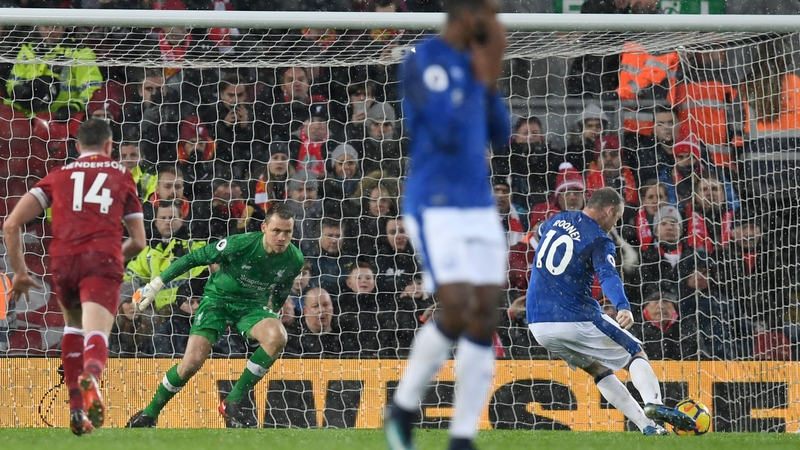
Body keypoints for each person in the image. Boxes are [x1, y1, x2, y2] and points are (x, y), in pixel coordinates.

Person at [384, 1, 511, 449]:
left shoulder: (475, 68)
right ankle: (401, 408)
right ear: (467, 11)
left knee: (484, 315)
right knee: (456, 306)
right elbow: (446, 129)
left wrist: (487, 82)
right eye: (490, 10)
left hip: (478, 203)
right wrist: (483, 76)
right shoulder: (423, 60)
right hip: (434, 203)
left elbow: (500, 132)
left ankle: (462, 438)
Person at [2, 118, 146, 435]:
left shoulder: (59, 175)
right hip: (102, 259)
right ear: (110, 147)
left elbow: (11, 225)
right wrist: (111, 261)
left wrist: (21, 273)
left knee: (73, 326)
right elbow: (138, 241)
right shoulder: (121, 175)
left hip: (63, 262)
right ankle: (92, 374)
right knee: (97, 333)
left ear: (78, 146)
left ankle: (77, 411)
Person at [525, 187, 695, 435]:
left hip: (538, 324)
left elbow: (538, 232)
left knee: (598, 369)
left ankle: (649, 427)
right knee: (635, 352)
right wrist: (623, 306)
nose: (615, 223)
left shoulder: (559, 219)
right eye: (617, 218)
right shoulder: (599, 239)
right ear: (609, 210)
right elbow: (607, 275)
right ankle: (654, 404)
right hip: (573, 317)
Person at [126, 203, 304, 429]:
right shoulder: (240, 244)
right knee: (191, 363)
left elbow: (283, 287)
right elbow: (195, 257)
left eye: (287, 232)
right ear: (263, 228)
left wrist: (275, 309)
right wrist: (157, 283)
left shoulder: (295, 259)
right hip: (217, 301)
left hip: (252, 307)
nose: (281, 237)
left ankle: (232, 402)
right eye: (276, 231)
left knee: (277, 335)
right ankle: (149, 414)